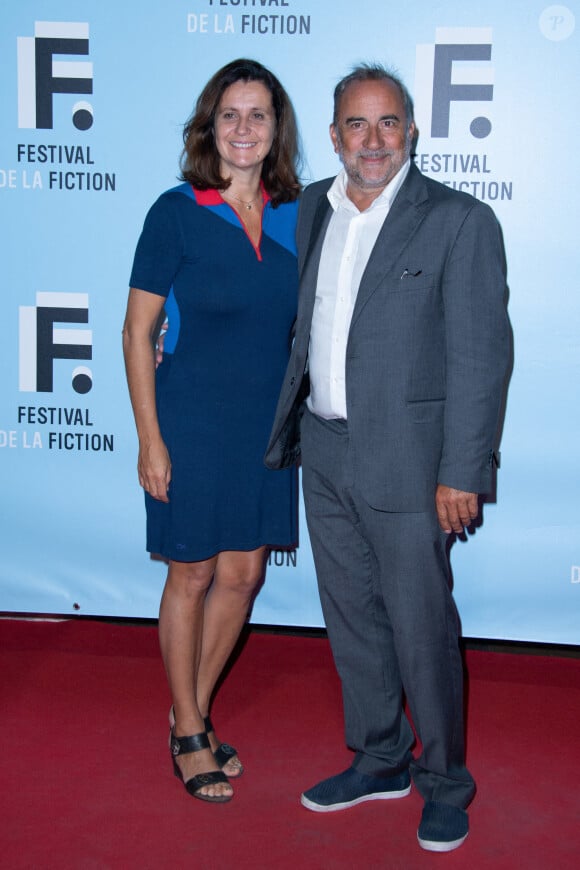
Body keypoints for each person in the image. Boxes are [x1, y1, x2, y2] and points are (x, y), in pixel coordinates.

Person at [265, 64, 510, 850]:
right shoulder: (308, 210)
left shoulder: (458, 221)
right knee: (352, 621)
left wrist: (462, 471)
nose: (372, 141)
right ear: (334, 137)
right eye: (355, 126)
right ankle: (379, 758)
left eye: (388, 123)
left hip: (414, 463)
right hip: (325, 448)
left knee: (421, 628)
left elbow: (480, 357)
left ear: (412, 130)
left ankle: (445, 781)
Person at [123, 59, 301, 803]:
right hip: (191, 421)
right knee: (192, 572)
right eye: (229, 115)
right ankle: (193, 728)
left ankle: (182, 712)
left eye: (258, 115)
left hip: (268, 426)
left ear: (276, 130)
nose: (243, 130)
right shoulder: (176, 211)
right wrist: (150, 439)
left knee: (245, 574)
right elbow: (138, 333)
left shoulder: (302, 213)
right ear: (209, 125)